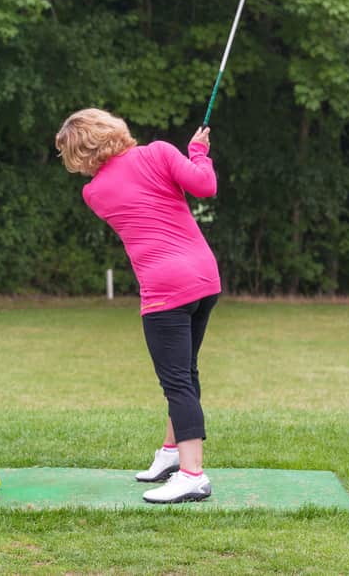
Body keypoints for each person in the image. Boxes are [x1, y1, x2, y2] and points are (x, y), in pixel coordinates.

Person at [55, 108, 220, 504]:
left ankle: (192, 475)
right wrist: (198, 152)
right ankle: (170, 454)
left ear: (83, 153)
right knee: (186, 373)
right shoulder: (160, 152)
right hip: (205, 278)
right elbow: (205, 185)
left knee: (177, 382)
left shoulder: (93, 192)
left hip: (165, 290)